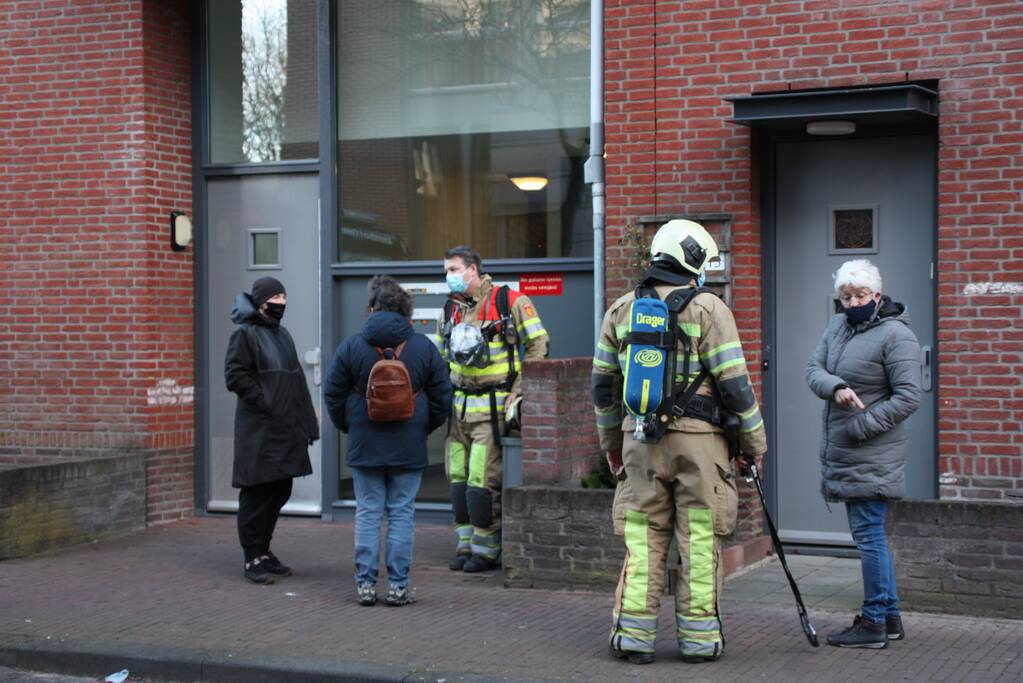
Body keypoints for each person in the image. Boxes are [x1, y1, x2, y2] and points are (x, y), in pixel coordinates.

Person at [592, 219, 767, 664]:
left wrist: (611, 442)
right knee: (701, 539)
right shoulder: (711, 309)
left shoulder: (620, 309)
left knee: (643, 538)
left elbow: (602, 387)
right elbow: (735, 386)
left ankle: (632, 636)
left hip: (639, 442)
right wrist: (753, 446)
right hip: (701, 446)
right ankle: (699, 641)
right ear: (692, 261)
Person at [806, 259, 921, 649]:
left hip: (872, 451)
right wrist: (835, 386)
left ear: (877, 293)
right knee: (872, 536)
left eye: (860, 295)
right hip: (847, 452)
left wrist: (860, 426)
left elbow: (909, 397)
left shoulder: (895, 335)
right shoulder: (838, 326)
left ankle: (873, 622)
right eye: (845, 296)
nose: (852, 302)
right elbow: (813, 368)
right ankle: (889, 618)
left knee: (869, 536)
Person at [324, 276, 452, 606]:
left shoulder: (352, 346)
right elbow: (442, 397)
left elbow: (332, 393)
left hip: (364, 443)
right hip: (408, 444)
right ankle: (398, 586)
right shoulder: (423, 346)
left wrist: (350, 425)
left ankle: (365, 585)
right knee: (401, 514)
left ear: (371, 308)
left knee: (368, 512)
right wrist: (421, 427)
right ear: (406, 310)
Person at [433, 246, 549, 573]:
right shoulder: (450, 311)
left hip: (491, 411)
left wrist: (519, 390)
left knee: (481, 482)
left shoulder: (509, 301)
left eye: (454, 269)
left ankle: (487, 549)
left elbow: (540, 344)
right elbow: (442, 358)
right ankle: (465, 544)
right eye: (446, 270)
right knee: (457, 481)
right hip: (458, 412)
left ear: (473, 269)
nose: (449, 276)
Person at [224, 276, 320, 585]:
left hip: (286, 428)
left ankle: (264, 551)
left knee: (280, 489)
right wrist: (265, 400)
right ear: (260, 301)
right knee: (257, 493)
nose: (281, 301)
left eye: (284, 294)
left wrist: (308, 423)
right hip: (260, 430)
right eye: (275, 296)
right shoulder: (245, 335)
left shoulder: (283, 335)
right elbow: (235, 376)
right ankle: (252, 556)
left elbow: (296, 382)